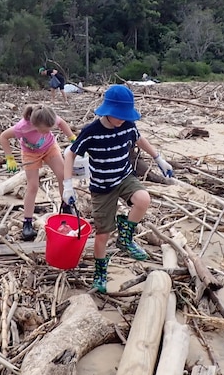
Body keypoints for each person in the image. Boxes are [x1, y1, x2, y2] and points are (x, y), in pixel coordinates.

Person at [62, 84, 173, 293]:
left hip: (124, 177)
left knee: (143, 199)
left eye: (125, 115)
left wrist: (159, 159)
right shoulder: (91, 131)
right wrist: (68, 186)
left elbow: (139, 138)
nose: (122, 119)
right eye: (118, 115)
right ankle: (100, 272)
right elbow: (70, 154)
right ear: (108, 111)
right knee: (103, 234)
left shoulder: (128, 125)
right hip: (102, 187)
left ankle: (126, 237)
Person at [0, 104, 76, 241]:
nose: (49, 131)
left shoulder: (49, 116)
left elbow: (62, 123)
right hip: (30, 154)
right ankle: (27, 223)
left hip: (50, 148)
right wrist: (9, 158)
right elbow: (4, 137)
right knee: (33, 186)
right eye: (46, 130)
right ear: (36, 125)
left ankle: (66, 206)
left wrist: (72, 137)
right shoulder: (22, 127)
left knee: (63, 175)